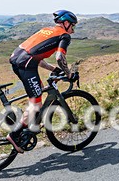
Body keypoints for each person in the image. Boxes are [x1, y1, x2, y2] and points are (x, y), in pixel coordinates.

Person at [7, 9, 78, 153]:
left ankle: (29, 124)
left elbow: (35, 55)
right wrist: (69, 74)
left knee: (37, 93)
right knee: (36, 104)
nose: (73, 30)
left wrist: (52, 69)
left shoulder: (46, 30)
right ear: (65, 23)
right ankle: (14, 135)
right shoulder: (64, 36)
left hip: (18, 60)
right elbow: (60, 57)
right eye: (72, 26)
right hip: (27, 66)